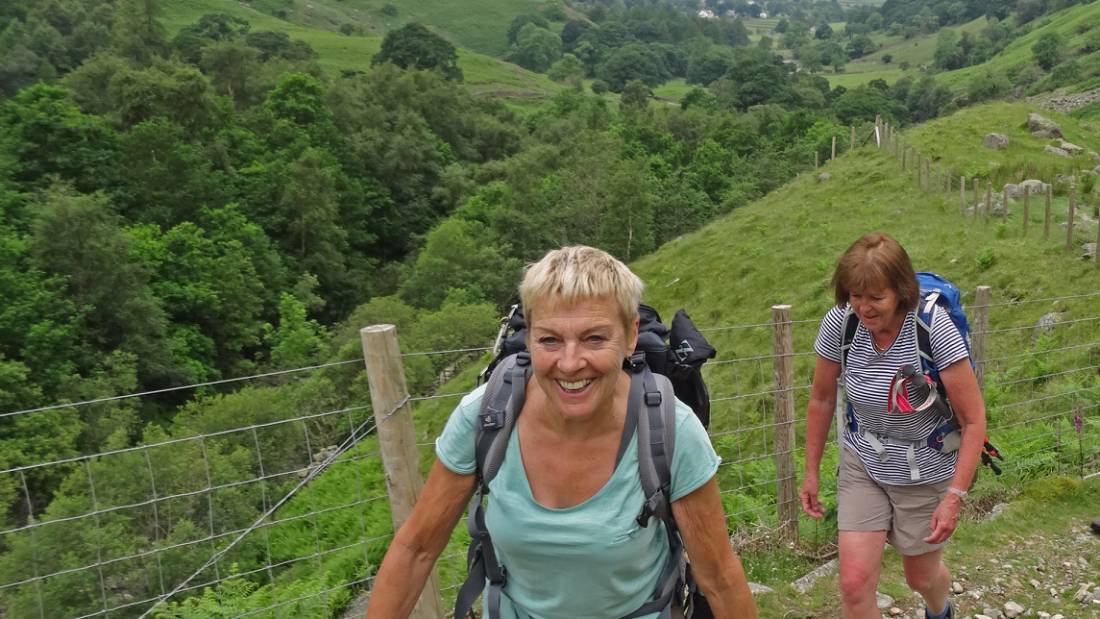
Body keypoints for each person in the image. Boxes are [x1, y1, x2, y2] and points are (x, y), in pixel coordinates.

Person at [365, 245, 757, 619]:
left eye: (594, 338)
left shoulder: (671, 429)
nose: (570, 364)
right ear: (529, 336)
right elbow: (416, 549)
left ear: (631, 334)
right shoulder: (487, 416)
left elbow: (719, 578)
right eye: (550, 340)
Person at [799, 233, 987, 619]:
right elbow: (820, 399)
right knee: (853, 584)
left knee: (921, 578)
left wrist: (954, 497)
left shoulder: (933, 328)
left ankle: (940, 609)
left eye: (876, 298)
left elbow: (973, 419)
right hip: (864, 462)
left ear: (901, 292)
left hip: (926, 468)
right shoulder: (842, 323)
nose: (863, 309)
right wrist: (811, 471)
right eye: (855, 295)